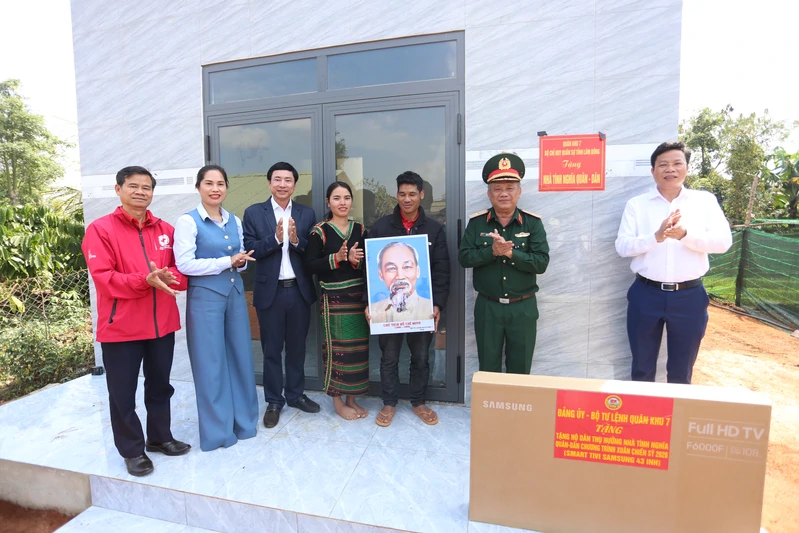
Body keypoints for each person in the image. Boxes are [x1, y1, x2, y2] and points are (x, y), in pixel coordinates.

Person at [81, 166, 191, 477]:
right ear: (118, 189)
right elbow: (104, 279)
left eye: (147, 187)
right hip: (121, 328)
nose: (141, 192)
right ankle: (132, 450)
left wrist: (169, 277)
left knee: (160, 386)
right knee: (122, 394)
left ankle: (159, 437)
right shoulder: (101, 230)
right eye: (133, 186)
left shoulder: (166, 230)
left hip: (161, 325)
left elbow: (181, 270)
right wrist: (145, 280)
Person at [615, 141, 732, 384]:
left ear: (687, 168)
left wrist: (685, 235)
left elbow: (723, 243)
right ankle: (642, 408)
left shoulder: (704, 201)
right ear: (653, 171)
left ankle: (677, 409)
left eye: (677, 163)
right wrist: (655, 237)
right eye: (663, 164)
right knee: (642, 368)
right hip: (645, 293)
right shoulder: (637, 205)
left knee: (682, 371)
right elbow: (622, 246)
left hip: (689, 296)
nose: (670, 169)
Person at [173, 165, 260, 451]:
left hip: (234, 294)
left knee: (241, 358)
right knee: (210, 363)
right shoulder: (188, 221)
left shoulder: (234, 220)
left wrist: (240, 261)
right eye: (209, 183)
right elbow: (184, 264)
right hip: (205, 298)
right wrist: (226, 262)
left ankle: (244, 423)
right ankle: (218, 432)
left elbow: (241, 261)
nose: (215, 188)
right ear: (198, 187)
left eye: (220, 183)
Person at [366, 171, 450, 427]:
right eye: (402, 194)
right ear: (397, 195)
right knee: (389, 357)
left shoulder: (434, 229)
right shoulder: (380, 228)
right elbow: (367, 270)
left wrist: (437, 304)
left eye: (412, 194)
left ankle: (418, 401)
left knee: (421, 357)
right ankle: (389, 402)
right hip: (387, 308)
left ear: (421, 195)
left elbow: (442, 270)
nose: (407, 199)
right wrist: (368, 303)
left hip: (421, 309)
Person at [243, 161, 319, 429]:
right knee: (272, 350)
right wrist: (275, 239)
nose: (282, 184)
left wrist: (296, 240)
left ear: (295, 185)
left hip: (298, 291)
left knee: (297, 348)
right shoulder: (254, 213)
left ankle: (296, 395)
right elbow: (250, 248)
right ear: (269, 183)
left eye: (288, 180)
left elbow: (313, 252)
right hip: (270, 292)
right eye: (277, 179)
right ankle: (274, 401)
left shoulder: (306, 213)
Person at [458, 153, 549, 375]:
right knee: (488, 369)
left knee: (520, 369)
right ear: (489, 194)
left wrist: (510, 253)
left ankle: (516, 400)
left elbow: (541, 263)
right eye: (497, 188)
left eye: (509, 188)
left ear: (519, 192)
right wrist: (491, 252)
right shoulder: (477, 223)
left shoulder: (532, 223)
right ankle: (491, 401)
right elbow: (464, 258)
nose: (504, 193)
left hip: (523, 308)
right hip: (488, 307)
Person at [305, 182, 370, 421]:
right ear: (328, 202)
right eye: (336, 198)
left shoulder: (360, 229)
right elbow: (309, 265)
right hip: (333, 299)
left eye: (346, 198)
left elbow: (368, 263)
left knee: (358, 351)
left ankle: (352, 398)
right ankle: (338, 401)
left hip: (358, 298)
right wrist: (338, 257)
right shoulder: (319, 232)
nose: (342, 203)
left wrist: (355, 261)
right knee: (337, 351)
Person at [369, 242, 434, 323]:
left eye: (406, 267)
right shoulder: (373, 312)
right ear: (380, 274)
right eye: (392, 268)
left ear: (417, 271)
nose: (400, 276)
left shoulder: (431, 309)